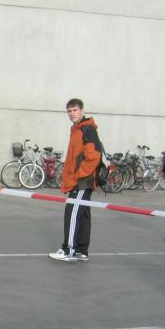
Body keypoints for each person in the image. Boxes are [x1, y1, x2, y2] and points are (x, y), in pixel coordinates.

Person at [48, 98, 102, 262]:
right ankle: (81, 251)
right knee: (83, 214)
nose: (72, 114)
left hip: (82, 181)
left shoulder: (87, 129)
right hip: (80, 179)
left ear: (82, 110)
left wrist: (77, 175)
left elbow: (94, 157)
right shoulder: (76, 129)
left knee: (72, 213)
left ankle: (68, 249)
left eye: (75, 110)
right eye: (69, 111)